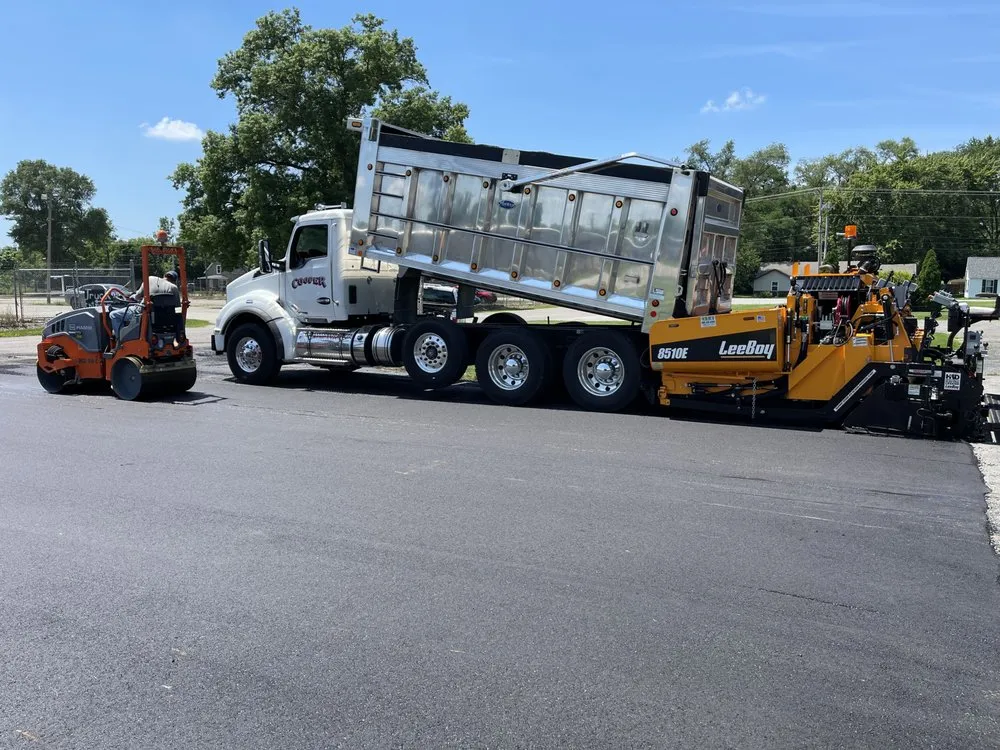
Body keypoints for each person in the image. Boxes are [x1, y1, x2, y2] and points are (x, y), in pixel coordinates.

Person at [109, 270, 179, 342]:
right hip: (163, 319)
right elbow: (176, 305)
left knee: (114, 314)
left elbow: (137, 296)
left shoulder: (150, 279)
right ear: (174, 280)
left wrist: (131, 297)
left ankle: (120, 341)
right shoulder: (174, 288)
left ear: (164, 275)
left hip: (143, 312)